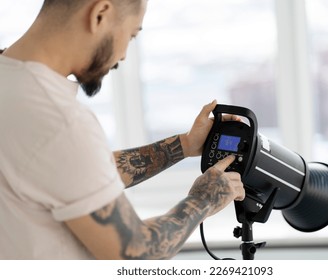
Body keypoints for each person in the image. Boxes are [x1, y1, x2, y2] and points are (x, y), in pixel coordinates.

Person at [0, 0, 245, 260]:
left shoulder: (14, 87)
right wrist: (204, 199)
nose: (124, 55)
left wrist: (184, 145)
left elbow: (72, 171)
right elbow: (135, 255)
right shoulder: (60, 121)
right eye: (131, 35)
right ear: (100, 14)